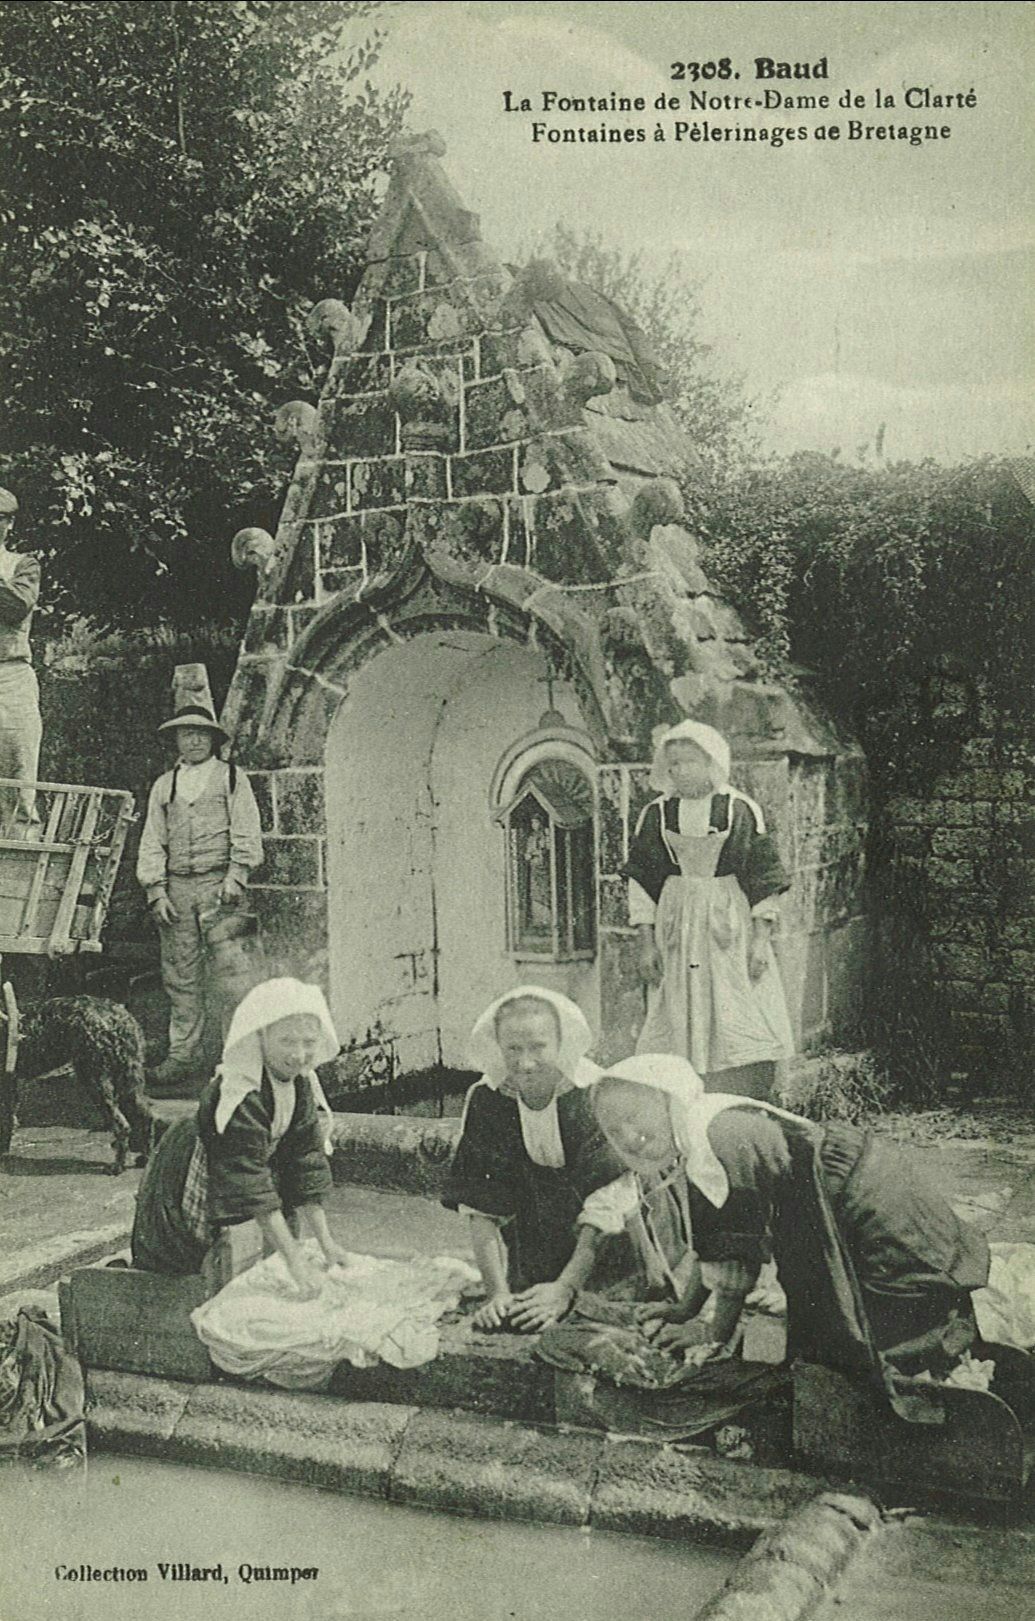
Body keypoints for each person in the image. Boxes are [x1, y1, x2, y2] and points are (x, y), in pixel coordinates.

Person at [592, 1055, 992, 1411]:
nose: (628, 1135)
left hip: (868, 1208)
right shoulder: (702, 1130)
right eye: (613, 1129)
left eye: (635, 1116)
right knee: (825, 1320)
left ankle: (923, 1403)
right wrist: (686, 1309)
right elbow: (714, 1239)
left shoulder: (718, 1138)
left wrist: (710, 1337)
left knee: (864, 1333)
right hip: (848, 1197)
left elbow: (736, 1267)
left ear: (668, 1101)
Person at [131, 978, 346, 1299]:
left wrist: (328, 1244)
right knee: (209, 1257)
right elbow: (248, 1181)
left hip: (249, 1172)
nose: (299, 1054)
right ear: (261, 1036)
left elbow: (305, 1160)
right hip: (200, 1175)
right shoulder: (239, 1093)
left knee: (273, 1242)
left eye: (308, 1042)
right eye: (287, 1041)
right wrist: (296, 1263)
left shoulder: (298, 1082)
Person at [442, 987, 635, 1333]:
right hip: (537, 1240)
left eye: (538, 1047)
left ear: (561, 1044)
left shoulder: (594, 1094)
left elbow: (609, 1200)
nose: (525, 1063)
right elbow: (480, 1205)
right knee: (518, 1309)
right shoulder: (489, 1100)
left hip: (610, 1241)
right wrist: (496, 1293)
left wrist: (566, 1288)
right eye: (513, 1049)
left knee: (602, 1311)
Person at [624, 719, 793, 1101]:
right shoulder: (657, 813)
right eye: (673, 765)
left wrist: (760, 940)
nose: (679, 771)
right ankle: (681, 1090)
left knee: (734, 1000)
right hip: (676, 922)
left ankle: (741, 1093)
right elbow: (642, 880)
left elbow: (763, 877)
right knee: (676, 1005)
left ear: (712, 762)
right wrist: (646, 942)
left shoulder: (739, 809)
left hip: (726, 921)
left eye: (687, 762)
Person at [136, 701, 263, 1092]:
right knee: (180, 975)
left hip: (219, 888)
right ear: (175, 739)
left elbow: (247, 829)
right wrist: (157, 891)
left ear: (212, 738)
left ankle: (238, 1057)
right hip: (178, 889)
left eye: (199, 733)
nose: (192, 740)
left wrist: (236, 876)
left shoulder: (230, 778)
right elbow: (152, 840)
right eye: (184, 734)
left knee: (232, 974)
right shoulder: (165, 784)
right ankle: (182, 1057)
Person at [0, 487, 42, 837]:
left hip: (8, 675)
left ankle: (19, 869)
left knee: (17, 768)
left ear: (9, 524)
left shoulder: (21, 564)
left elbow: (17, 606)